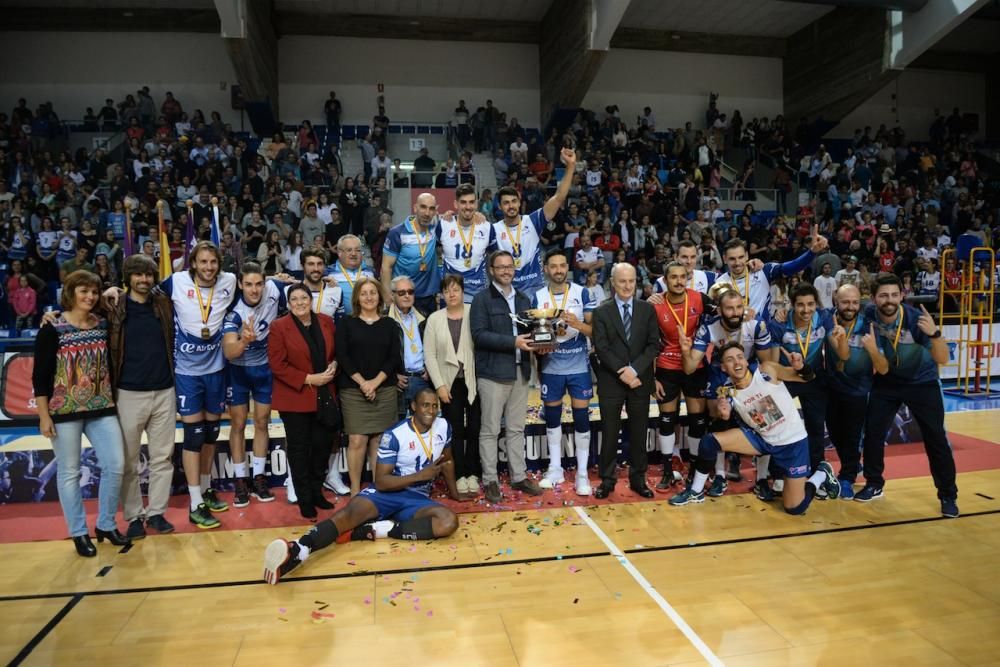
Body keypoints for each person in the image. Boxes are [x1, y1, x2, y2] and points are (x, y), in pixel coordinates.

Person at [263, 388, 476, 585]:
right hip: (388, 492)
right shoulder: (395, 434)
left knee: (448, 522)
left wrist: (455, 494)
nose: (430, 410)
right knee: (348, 514)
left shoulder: (444, 426)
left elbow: (447, 461)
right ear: (413, 407)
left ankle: (381, 529)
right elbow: (382, 481)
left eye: (434, 406)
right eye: (425, 405)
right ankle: (299, 548)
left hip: (417, 498)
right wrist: (420, 475)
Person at [669, 342, 841, 511]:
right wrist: (723, 415)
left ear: (745, 360)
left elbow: (807, 378)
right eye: (730, 359)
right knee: (709, 441)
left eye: (740, 357)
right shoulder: (728, 392)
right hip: (762, 440)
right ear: (723, 367)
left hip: (792, 444)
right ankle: (695, 491)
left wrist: (801, 366)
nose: (737, 362)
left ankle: (821, 474)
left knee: (794, 508)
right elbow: (721, 417)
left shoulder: (766, 370)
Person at [33, 271, 129, 557]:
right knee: (69, 473)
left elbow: (127, 296)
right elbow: (40, 376)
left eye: (94, 292)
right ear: (70, 293)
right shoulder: (52, 328)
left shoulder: (103, 324)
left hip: (102, 407)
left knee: (116, 465)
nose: (89, 297)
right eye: (83, 291)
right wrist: (43, 415)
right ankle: (78, 532)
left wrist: (111, 289)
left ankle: (106, 524)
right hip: (63, 411)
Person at [857, 274, 959, 517]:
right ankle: (874, 484)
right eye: (883, 295)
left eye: (894, 294)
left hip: (922, 382)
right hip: (887, 381)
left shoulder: (916, 320)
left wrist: (934, 334)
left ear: (902, 296)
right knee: (872, 432)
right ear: (873, 299)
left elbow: (943, 359)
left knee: (935, 437)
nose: (889, 300)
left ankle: (948, 494)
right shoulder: (869, 315)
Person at [159, 241, 238, 529]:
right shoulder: (177, 281)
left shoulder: (230, 281)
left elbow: (259, 288)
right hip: (187, 373)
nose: (208, 267)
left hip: (216, 370)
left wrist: (281, 281)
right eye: (203, 262)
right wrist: (115, 291)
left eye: (213, 262)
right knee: (193, 436)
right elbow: (143, 293)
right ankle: (195, 503)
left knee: (210, 434)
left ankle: (205, 489)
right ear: (193, 263)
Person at [681, 287, 777, 498]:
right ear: (720, 310)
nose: (735, 312)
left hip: (749, 371)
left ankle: (762, 479)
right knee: (718, 416)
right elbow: (689, 368)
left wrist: (761, 389)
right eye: (729, 308)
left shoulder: (756, 324)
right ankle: (720, 476)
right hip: (720, 371)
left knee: (765, 419)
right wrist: (685, 350)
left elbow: (767, 363)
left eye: (738, 307)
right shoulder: (709, 327)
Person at [109, 255, 177, 538]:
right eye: (138, 275)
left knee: (163, 458)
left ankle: (157, 513)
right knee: (128, 461)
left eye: (148, 275)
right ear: (128, 278)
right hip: (128, 392)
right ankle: (135, 516)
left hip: (164, 390)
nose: (144, 280)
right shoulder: (114, 305)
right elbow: (80, 307)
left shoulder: (163, 303)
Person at [471, 250, 543, 503]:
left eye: (509, 267)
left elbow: (533, 333)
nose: (505, 271)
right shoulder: (481, 299)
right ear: (491, 270)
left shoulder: (524, 299)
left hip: (521, 372)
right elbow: (479, 336)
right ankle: (490, 480)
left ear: (514, 269)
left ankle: (519, 476)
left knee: (516, 429)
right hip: (492, 374)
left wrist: (543, 341)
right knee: (490, 430)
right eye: (500, 267)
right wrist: (513, 342)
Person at [268, 283, 338, 518]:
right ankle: (304, 498)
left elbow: (336, 352)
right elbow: (277, 365)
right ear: (288, 304)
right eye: (294, 299)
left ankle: (318, 492)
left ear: (311, 300)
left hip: (325, 396)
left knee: (322, 446)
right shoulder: (279, 327)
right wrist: (309, 379)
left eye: (304, 298)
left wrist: (334, 364)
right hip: (295, 398)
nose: (299, 302)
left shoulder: (326, 321)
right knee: (299, 451)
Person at [591, 262, 661, 499]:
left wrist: (634, 370)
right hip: (611, 381)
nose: (627, 286)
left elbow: (654, 345)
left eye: (631, 281)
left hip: (640, 380)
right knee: (610, 433)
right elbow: (601, 348)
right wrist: (624, 372)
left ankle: (638, 479)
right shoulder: (601, 312)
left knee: (639, 432)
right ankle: (607, 480)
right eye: (622, 281)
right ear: (613, 282)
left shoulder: (647, 310)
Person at [533, 249, 596, 495]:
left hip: (579, 366)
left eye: (562, 266)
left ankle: (582, 475)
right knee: (552, 418)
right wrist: (540, 347)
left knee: (581, 418)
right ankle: (555, 468)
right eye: (553, 266)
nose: (558, 270)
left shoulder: (582, 293)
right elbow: (535, 338)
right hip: (551, 367)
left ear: (566, 268)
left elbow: (595, 331)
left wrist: (577, 324)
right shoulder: (537, 296)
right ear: (546, 269)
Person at [222, 262, 285, 508]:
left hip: (263, 370)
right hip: (237, 371)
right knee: (237, 424)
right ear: (240, 285)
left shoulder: (274, 289)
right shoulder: (234, 314)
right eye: (248, 284)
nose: (254, 290)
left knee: (262, 422)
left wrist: (329, 282)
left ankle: (259, 477)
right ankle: (240, 479)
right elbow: (229, 352)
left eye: (259, 283)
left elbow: (299, 287)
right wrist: (245, 341)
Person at [769, 284, 848, 475]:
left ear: (816, 303)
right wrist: (790, 370)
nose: (806, 310)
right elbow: (772, 364)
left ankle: (817, 471)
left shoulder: (824, 318)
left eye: (810, 304)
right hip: (786, 378)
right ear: (792, 305)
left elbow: (842, 355)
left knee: (815, 427)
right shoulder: (779, 324)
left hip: (813, 378)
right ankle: (777, 472)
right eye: (801, 305)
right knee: (778, 427)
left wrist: (842, 339)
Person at [646, 262, 712, 490]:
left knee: (697, 421)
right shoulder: (655, 305)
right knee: (667, 420)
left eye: (683, 276)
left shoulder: (700, 299)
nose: (679, 281)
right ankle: (666, 471)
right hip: (666, 368)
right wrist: (652, 377)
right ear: (665, 280)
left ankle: (694, 471)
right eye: (673, 277)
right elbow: (648, 344)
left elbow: (725, 313)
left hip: (694, 366)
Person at [289, 247, 349, 497]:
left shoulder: (335, 289)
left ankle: (332, 475)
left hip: (328, 367)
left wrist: (336, 361)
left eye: (319, 264)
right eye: (310, 264)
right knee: (299, 432)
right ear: (302, 266)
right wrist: (282, 277)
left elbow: (341, 329)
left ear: (325, 266)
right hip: (301, 367)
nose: (315, 268)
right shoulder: (289, 290)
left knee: (332, 425)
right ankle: (295, 480)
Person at [335, 277, 403, 496]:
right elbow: (342, 356)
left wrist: (375, 382)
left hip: (384, 389)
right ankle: (355, 490)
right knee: (357, 439)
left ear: (380, 296)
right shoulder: (346, 323)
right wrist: (363, 383)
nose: (369, 297)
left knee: (379, 440)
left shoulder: (390, 325)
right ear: (356, 298)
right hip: (354, 390)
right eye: (363, 293)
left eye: (373, 292)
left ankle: (377, 488)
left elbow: (394, 358)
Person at [825, 284, 888, 499]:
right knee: (835, 433)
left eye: (854, 302)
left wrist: (872, 348)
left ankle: (847, 477)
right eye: (845, 302)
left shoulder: (869, 327)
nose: (850, 307)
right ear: (836, 300)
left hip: (859, 391)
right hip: (832, 387)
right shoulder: (825, 319)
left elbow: (882, 367)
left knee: (852, 436)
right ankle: (851, 463)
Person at [424, 275, 482, 494]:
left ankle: (473, 473)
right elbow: (429, 355)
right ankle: (459, 475)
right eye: (447, 291)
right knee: (455, 431)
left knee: (475, 429)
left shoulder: (473, 312)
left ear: (463, 291)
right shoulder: (434, 319)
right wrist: (439, 385)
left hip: (473, 380)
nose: (452, 294)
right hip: (448, 384)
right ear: (441, 295)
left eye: (456, 289)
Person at [493, 147, 577, 294]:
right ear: (500, 207)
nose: (511, 206)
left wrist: (570, 167)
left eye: (514, 201)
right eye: (506, 203)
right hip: (507, 290)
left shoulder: (532, 221)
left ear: (520, 203)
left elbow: (558, 198)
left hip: (535, 289)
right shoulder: (493, 230)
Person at [716, 228, 827, 321]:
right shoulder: (718, 283)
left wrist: (811, 252)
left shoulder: (763, 271)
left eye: (740, 257)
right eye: (732, 259)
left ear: (746, 255)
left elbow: (792, 267)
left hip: (761, 337)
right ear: (724, 259)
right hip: (733, 337)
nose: (737, 263)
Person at [382, 193, 440, 316]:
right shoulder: (397, 233)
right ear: (415, 208)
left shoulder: (436, 227)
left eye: (431, 208)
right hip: (403, 296)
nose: (427, 213)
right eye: (423, 207)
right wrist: (387, 297)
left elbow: (460, 220)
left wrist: (478, 216)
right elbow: (386, 267)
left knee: (427, 334)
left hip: (428, 298)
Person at [438, 183, 497, 303]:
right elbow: (432, 254)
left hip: (478, 294)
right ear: (456, 204)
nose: (468, 206)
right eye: (463, 202)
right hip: (450, 294)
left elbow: (495, 258)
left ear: (476, 204)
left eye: (471, 202)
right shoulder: (443, 225)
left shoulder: (487, 227)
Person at [388, 275, 430, 413]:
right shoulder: (384, 319)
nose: (407, 296)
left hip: (422, 379)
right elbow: (379, 353)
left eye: (410, 292)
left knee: (423, 427)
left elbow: (435, 347)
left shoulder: (425, 316)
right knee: (397, 428)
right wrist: (391, 376)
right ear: (393, 295)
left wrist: (431, 370)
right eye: (401, 293)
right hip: (398, 381)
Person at [326, 234, 374, 318]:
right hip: (340, 323)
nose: (354, 254)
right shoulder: (328, 273)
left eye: (358, 250)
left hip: (367, 321)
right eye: (349, 250)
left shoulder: (371, 272)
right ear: (339, 253)